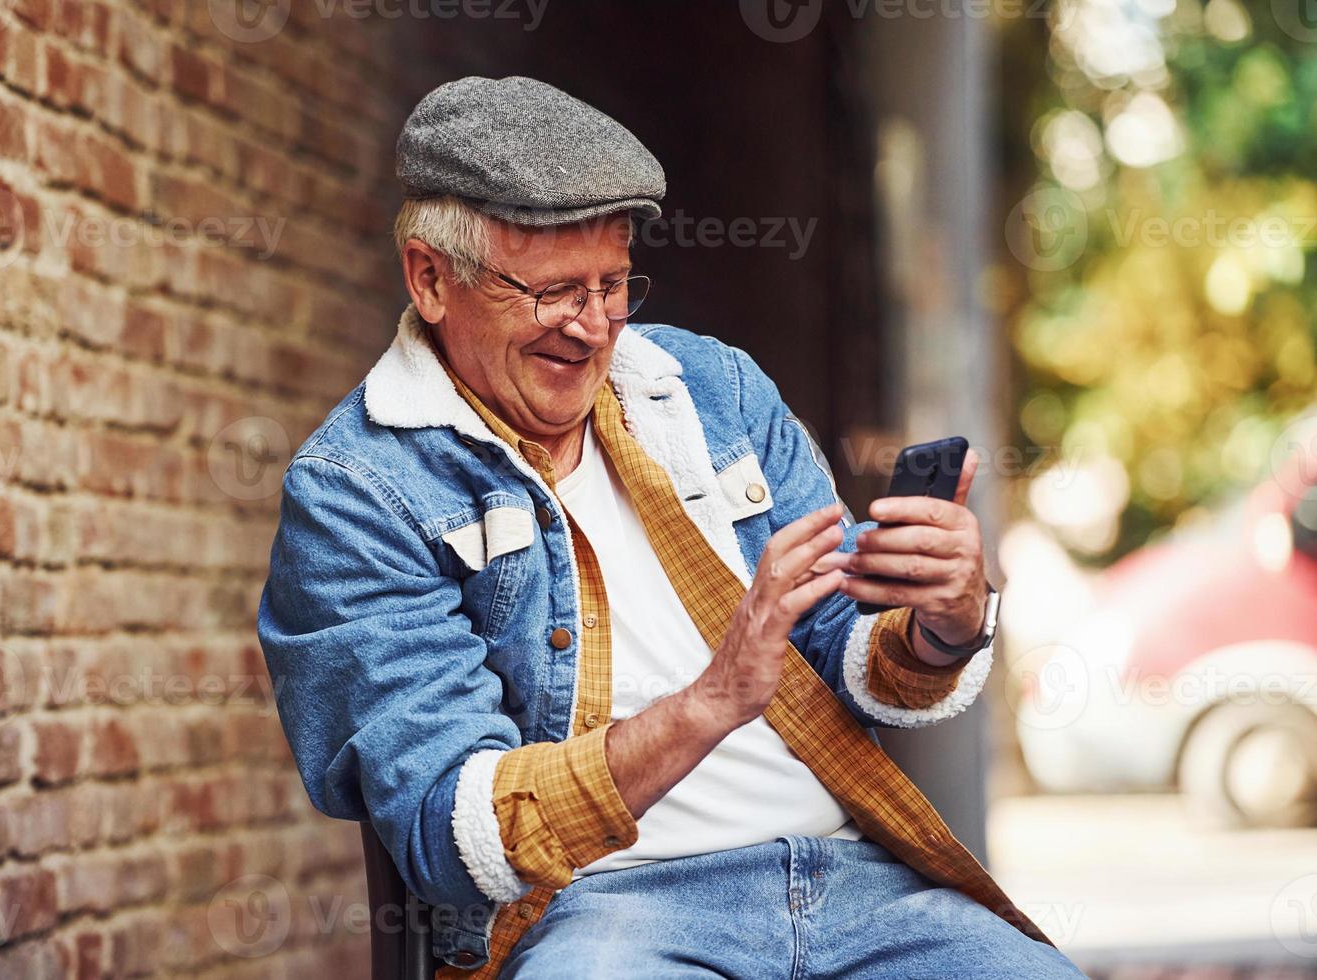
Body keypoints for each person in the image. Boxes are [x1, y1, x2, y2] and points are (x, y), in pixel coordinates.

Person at [258, 75, 1084, 979]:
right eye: (554, 293)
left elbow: (850, 651)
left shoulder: (711, 391)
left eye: (612, 286)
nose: (593, 328)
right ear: (430, 278)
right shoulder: (357, 491)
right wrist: (710, 703)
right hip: (607, 910)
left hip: (850, 879)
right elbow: (454, 837)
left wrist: (943, 624)